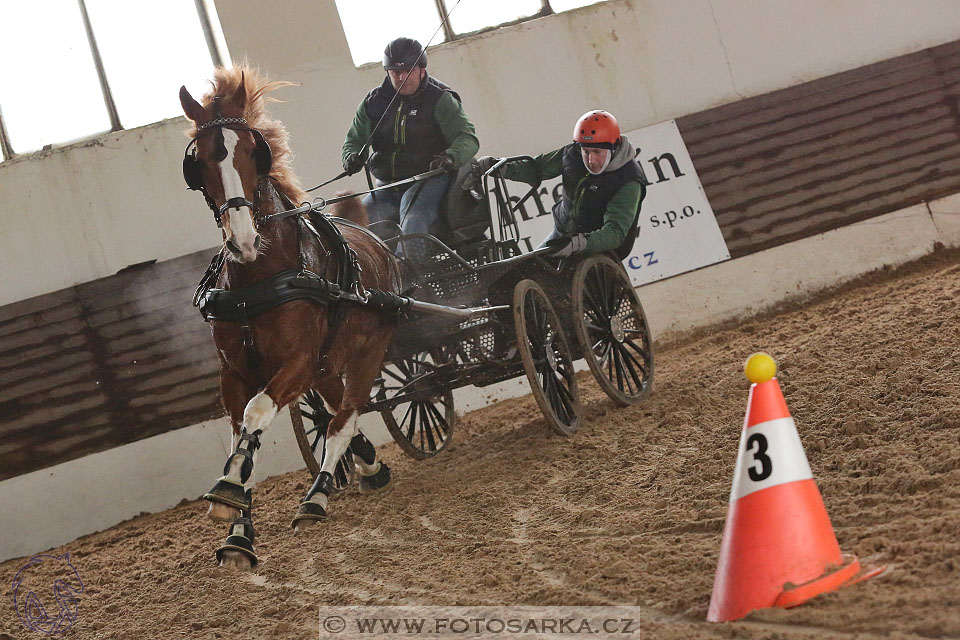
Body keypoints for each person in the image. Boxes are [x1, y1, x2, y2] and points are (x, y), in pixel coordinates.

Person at [341, 37, 480, 248]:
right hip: (388, 186)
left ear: (422, 69)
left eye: (408, 70)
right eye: (395, 72)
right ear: (387, 72)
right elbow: (353, 140)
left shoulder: (440, 99)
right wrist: (351, 157)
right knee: (356, 227)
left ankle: (410, 275)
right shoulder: (373, 102)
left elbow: (467, 138)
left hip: (430, 179)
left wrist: (451, 156)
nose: (402, 77)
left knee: (413, 218)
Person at [478, 110, 646, 258]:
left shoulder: (629, 180)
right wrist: (504, 168)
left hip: (600, 246)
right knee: (526, 267)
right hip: (563, 234)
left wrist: (579, 244)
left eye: (597, 152)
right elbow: (537, 168)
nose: (590, 160)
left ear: (614, 147)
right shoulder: (571, 154)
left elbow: (615, 232)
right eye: (586, 151)